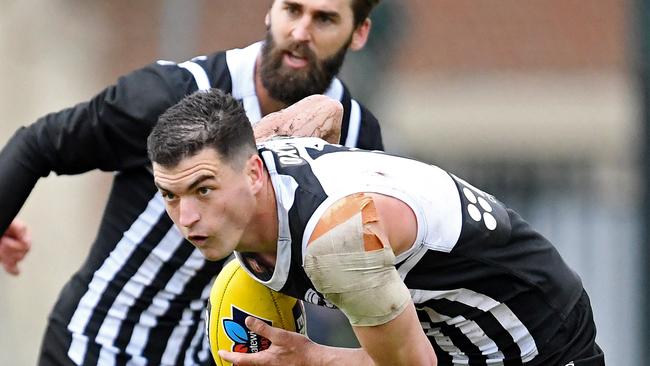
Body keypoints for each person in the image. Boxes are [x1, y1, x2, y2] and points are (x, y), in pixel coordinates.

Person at [0, 0, 383, 364]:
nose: (301, 31)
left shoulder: (356, 137)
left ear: (360, 33)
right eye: (292, 9)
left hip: (208, 355)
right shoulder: (176, 91)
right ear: (270, 11)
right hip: (96, 348)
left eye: (325, 19)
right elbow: (39, 144)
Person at [148, 88, 606, 366]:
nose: (187, 218)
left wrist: (309, 358)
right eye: (170, 195)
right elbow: (325, 111)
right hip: (450, 330)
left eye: (204, 190)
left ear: (251, 174)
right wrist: (322, 108)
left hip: (533, 341)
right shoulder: (260, 149)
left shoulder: (336, 242)